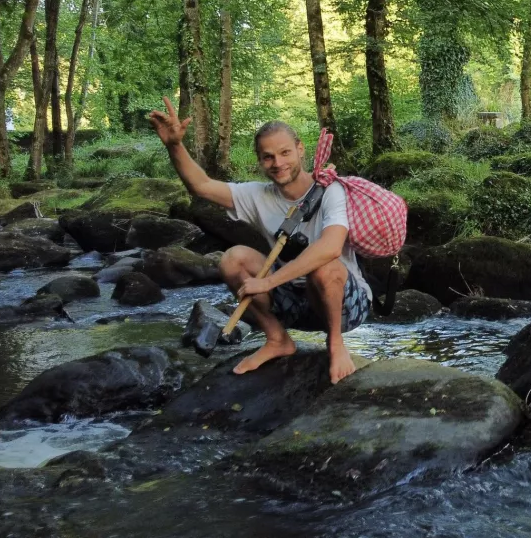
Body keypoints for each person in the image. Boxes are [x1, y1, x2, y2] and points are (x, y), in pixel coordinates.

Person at [148, 98, 370, 383]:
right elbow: (201, 186)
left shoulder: (331, 190)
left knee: (324, 266)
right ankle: (277, 339)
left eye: (285, 153)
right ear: (260, 160)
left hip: (343, 305)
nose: (278, 163)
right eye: (268, 157)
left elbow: (331, 248)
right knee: (233, 258)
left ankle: (336, 344)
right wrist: (175, 145)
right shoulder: (258, 195)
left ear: (300, 149)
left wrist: (268, 282)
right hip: (292, 303)